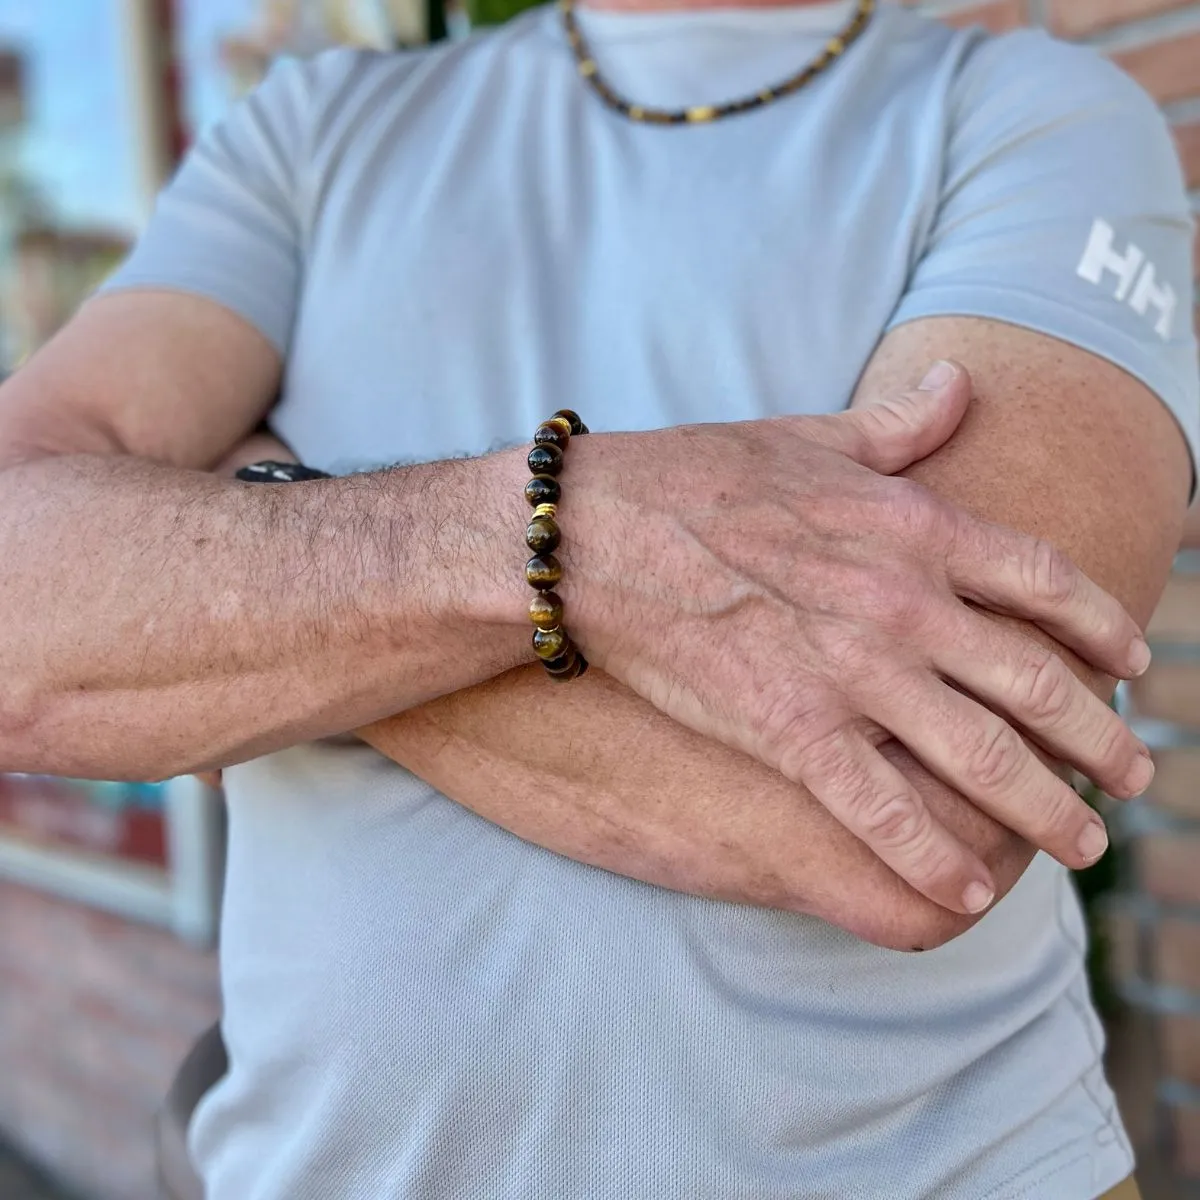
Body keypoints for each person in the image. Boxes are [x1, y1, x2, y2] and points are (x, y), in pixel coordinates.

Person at [0, 0, 1195, 1194]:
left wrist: (251, 563)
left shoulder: (1038, 109)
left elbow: (924, 816)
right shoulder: (311, 127)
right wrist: (572, 534)